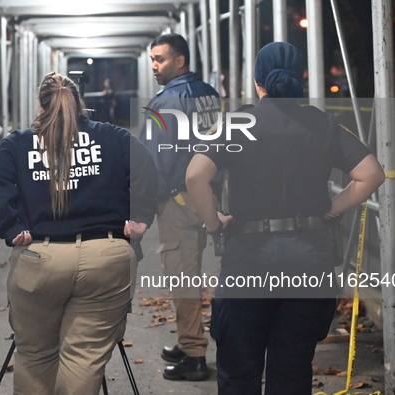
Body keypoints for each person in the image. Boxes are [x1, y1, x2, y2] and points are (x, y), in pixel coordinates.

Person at [185, 42, 385, 395]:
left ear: (258, 81)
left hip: (248, 258)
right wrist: (331, 210)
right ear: (302, 77)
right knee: (292, 369)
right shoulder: (324, 124)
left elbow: (194, 176)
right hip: (310, 254)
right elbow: (371, 174)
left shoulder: (238, 123)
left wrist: (215, 223)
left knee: (239, 368)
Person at [0, 72, 157, 395]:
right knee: (84, 357)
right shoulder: (114, 138)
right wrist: (140, 219)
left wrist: (12, 227)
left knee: (35, 353)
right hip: (105, 256)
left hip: (40, 257)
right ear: (81, 104)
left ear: (41, 106)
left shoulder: (17, 144)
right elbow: (148, 169)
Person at [142, 33, 220, 381]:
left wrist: (144, 204)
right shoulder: (209, 94)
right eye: (153, 60)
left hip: (177, 199)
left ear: (180, 61)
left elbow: (155, 160)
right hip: (208, 197)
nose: (154, 66)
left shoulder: (164, 103)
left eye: (160, 59)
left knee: (182, 275)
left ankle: (194, 354)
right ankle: (192, 339)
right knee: (193, 270)